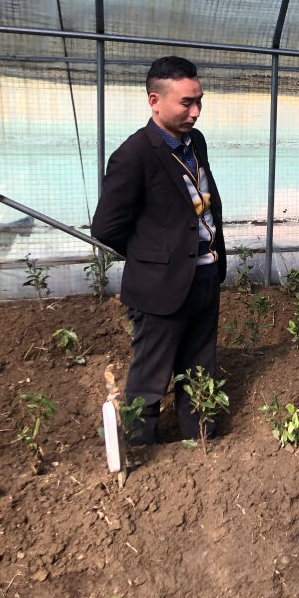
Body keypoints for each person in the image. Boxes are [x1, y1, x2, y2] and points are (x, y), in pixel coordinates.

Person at [91, 56, 226, 445]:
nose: (196, 112)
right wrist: (156, 257)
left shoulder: (195, 142)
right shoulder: (134, 155)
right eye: (186, 102)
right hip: (160, 286)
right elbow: (106, 228)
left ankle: (201, 440)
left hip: (205, 276)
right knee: (150, 377)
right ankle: (140, 449)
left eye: (199, 101)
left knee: (199, 368)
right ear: (155, 100)